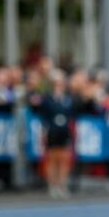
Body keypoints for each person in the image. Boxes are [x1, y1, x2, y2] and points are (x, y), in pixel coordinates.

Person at [41, 69, 75, 199]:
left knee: (64, 159)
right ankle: (53, 186)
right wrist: (44, 131)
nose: (59, 86)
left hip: (64, 131)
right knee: (52, 159)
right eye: (56, 83)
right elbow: (44, 116)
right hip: (52, 131)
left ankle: (62, 185)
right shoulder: (48, 99)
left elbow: (71, 114)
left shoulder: (67, 99)